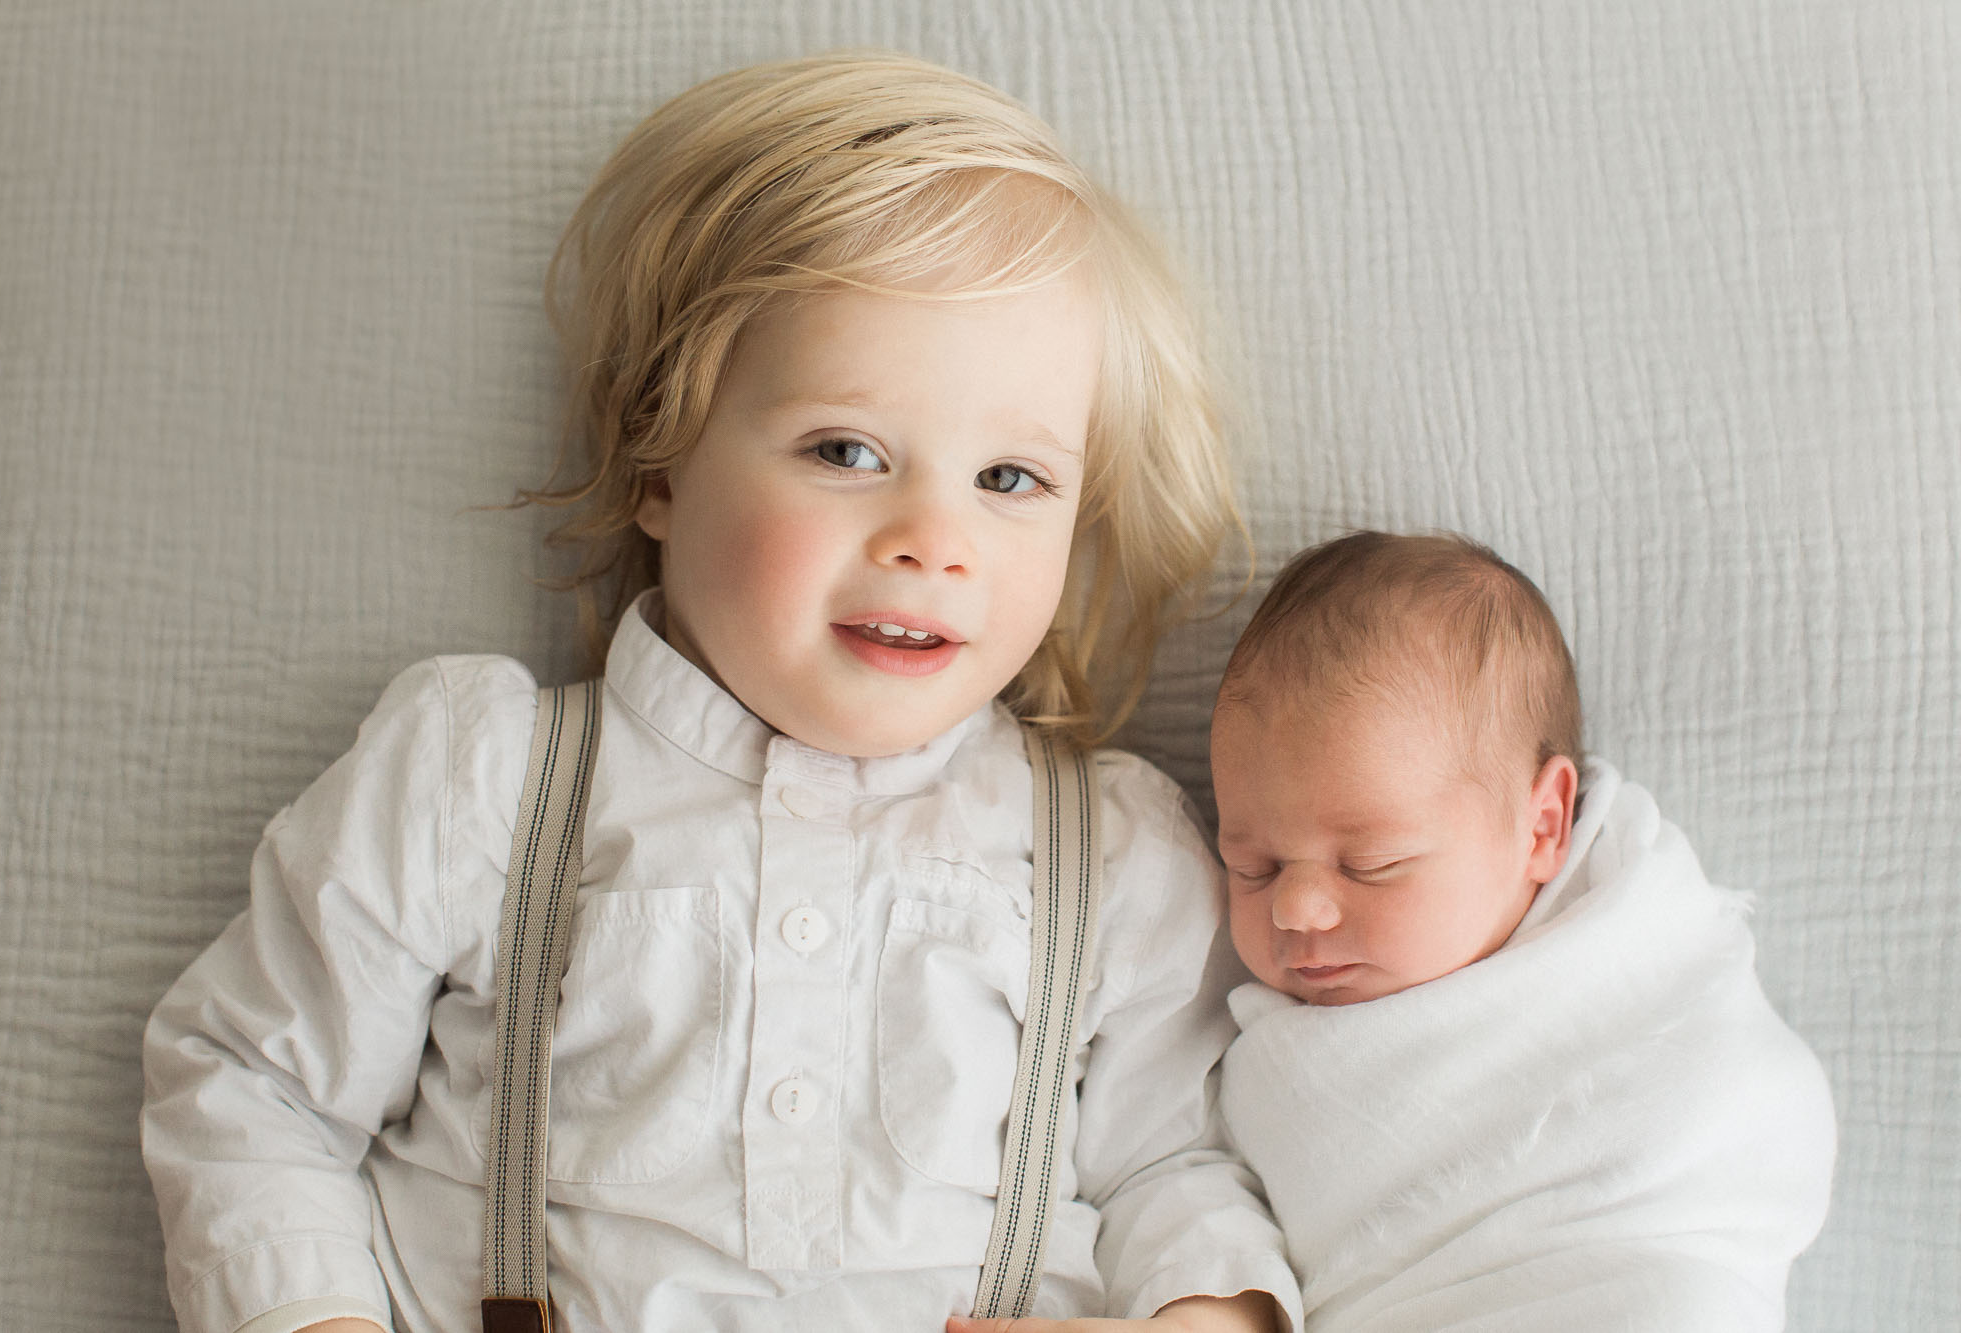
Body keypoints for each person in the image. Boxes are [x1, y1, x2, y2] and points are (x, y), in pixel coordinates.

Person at [139, 51, 1299, 1333]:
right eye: (845, 451)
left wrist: (1209, 1315)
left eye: (1010, 480)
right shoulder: (486, 774)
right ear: (658, 463)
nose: (933, 536)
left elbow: (1171, 1162)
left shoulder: (1109, 854)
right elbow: (256, 1087)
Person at [1207, 529, 1837, 1331]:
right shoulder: (1242, 1035)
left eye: (1369, 864)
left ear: (1541, 827)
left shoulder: (1636, 958)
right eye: (1251, 864)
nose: (1295, 909)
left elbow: (1739, 1105)